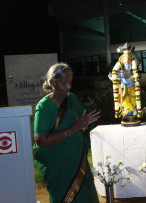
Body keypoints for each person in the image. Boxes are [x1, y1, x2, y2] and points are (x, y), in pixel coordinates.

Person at [33, 62, 101, 203]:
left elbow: (82, 124)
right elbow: (41, 140)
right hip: (57, 165)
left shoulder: (72, 99)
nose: (68, 87)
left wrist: (85, 125)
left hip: (77, 160)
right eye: (64, 83)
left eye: (70, 82)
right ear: (52, 83)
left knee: (86, 194)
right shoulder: (44, 107)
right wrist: (73, 129)